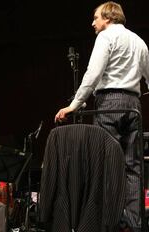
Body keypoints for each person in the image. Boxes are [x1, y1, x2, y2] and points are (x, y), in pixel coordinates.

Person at [54, 2, 149, 231]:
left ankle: (108, 222)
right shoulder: (139, 41)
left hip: (109, 104)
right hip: (134, 105)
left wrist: (74, 105)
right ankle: (134, 224)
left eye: (95, 18)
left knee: (105, 164)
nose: (93, 22)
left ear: (107, 17)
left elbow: (93, 73)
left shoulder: (106, 37)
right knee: (133, 167)